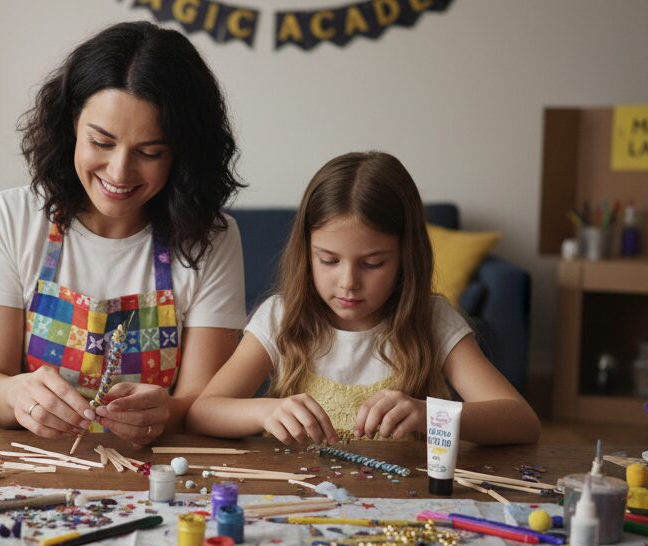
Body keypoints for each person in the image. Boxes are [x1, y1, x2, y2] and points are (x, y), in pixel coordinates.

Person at [0, 21, 246, 445]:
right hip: (30, 462)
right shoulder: (11, 217)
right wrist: (17, 394)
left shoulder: (212, 238)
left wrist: (165, 411)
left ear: (183, 154)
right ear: (72, 123)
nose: (119, 172)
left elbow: (201, 404)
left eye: (150, 153)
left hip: (155, 470)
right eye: (101, 142)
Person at [187, 151, 539, 446]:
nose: (348, 283)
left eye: (373, 263)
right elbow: (204, 413)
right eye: (328, 260)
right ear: (306, 252)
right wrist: (264, 410)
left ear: (406, 256)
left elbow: (522, 421)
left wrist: (430, 415)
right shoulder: (281, 316)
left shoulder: (432, 319)